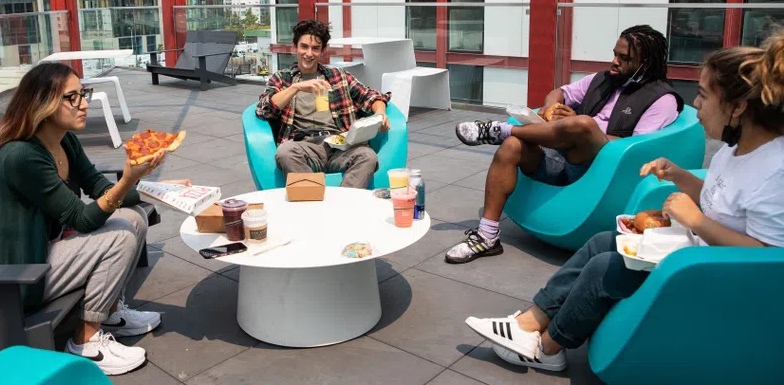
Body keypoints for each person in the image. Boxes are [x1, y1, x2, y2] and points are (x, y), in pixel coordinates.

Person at [463, 31, 784, 372]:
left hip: (711, 275)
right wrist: (677, 174)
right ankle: (528, 321)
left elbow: (768, 258)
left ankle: (549, 346)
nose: (697, 105)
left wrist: (696, 221)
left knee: (607, 268)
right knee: (603, 242)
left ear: (738, 107)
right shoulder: (736, 150)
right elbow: (718, 194)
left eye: (704, 95)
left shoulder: (775, 172)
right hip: (696, 254)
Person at [0, 63, 184, 376]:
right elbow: (82, 218)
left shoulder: (64, 140)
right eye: (73, 98)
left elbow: (100, 188)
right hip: (11, 275)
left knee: (134, 216)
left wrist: (154, 190)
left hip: (42, 253)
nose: (84, 103)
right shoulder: (22, 156)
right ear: (43, 103)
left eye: (83, 94)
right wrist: (128, 180)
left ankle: (110, 312)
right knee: (120, 234)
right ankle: (87, 342)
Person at [446, 25, 684, 263]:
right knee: (512, 147)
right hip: (559, 156)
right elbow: (557, 92)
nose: (614, 62)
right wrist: (551, 111)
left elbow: (635, 150)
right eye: (614, 54)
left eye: (624, 58)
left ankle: (502, 130)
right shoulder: (603, 79)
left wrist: (579, 126)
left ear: (647, 63)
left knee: (583, 124)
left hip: (598, 173)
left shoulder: (661, 100)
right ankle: (487, 237)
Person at [256, 19, 391, 189]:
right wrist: (296, 88)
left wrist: (380, 113)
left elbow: (371, 96)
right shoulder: (282, 79)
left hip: (341, 144)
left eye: (315, 48)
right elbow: (264, 110)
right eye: (304, 46)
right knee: (285, 152)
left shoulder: (338, 76)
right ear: (294, 47)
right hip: (304, 145)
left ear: (323, 51)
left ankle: (341, 207)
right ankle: (314, 202)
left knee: (368, 156)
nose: (309, 53)